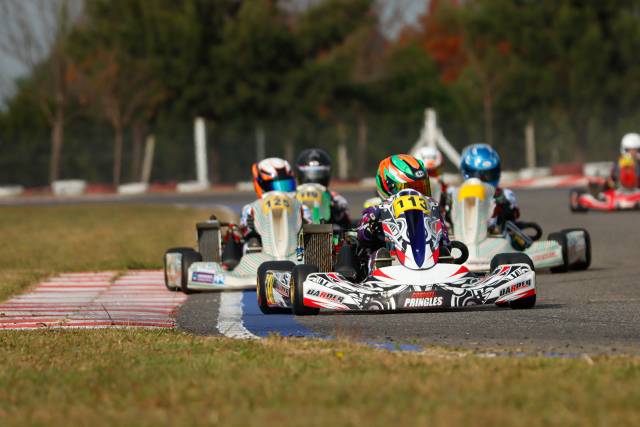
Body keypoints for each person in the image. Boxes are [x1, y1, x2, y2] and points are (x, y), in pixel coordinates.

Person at [353, 154, 449, 276]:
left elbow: (445, 241)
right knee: (379, 254)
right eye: (408, 188)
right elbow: (361, 236)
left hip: (429, 263)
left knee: (444, 252)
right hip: (390, 264)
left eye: (420, 188)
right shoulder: (376, 210)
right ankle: (378, 268)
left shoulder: (431, 209)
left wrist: (444, 244)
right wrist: (370, 227)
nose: (414, 194)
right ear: (388, 187)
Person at [460, 143, 519, 232]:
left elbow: (513, 216)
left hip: (496, 237)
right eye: (477, 175)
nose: (482, 180)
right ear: (467, 171)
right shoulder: (455, 195)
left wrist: (503, 206)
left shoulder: (506, 195)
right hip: (462, 236)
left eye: (488, 175)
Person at [294, 148, 351, 229]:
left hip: (327, 232)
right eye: (309, 174)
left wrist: (336, 210)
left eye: (318, 174)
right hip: (296, 231)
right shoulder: (292, 197)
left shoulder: (336, 198)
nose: (313, 179)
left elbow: (347, 225)